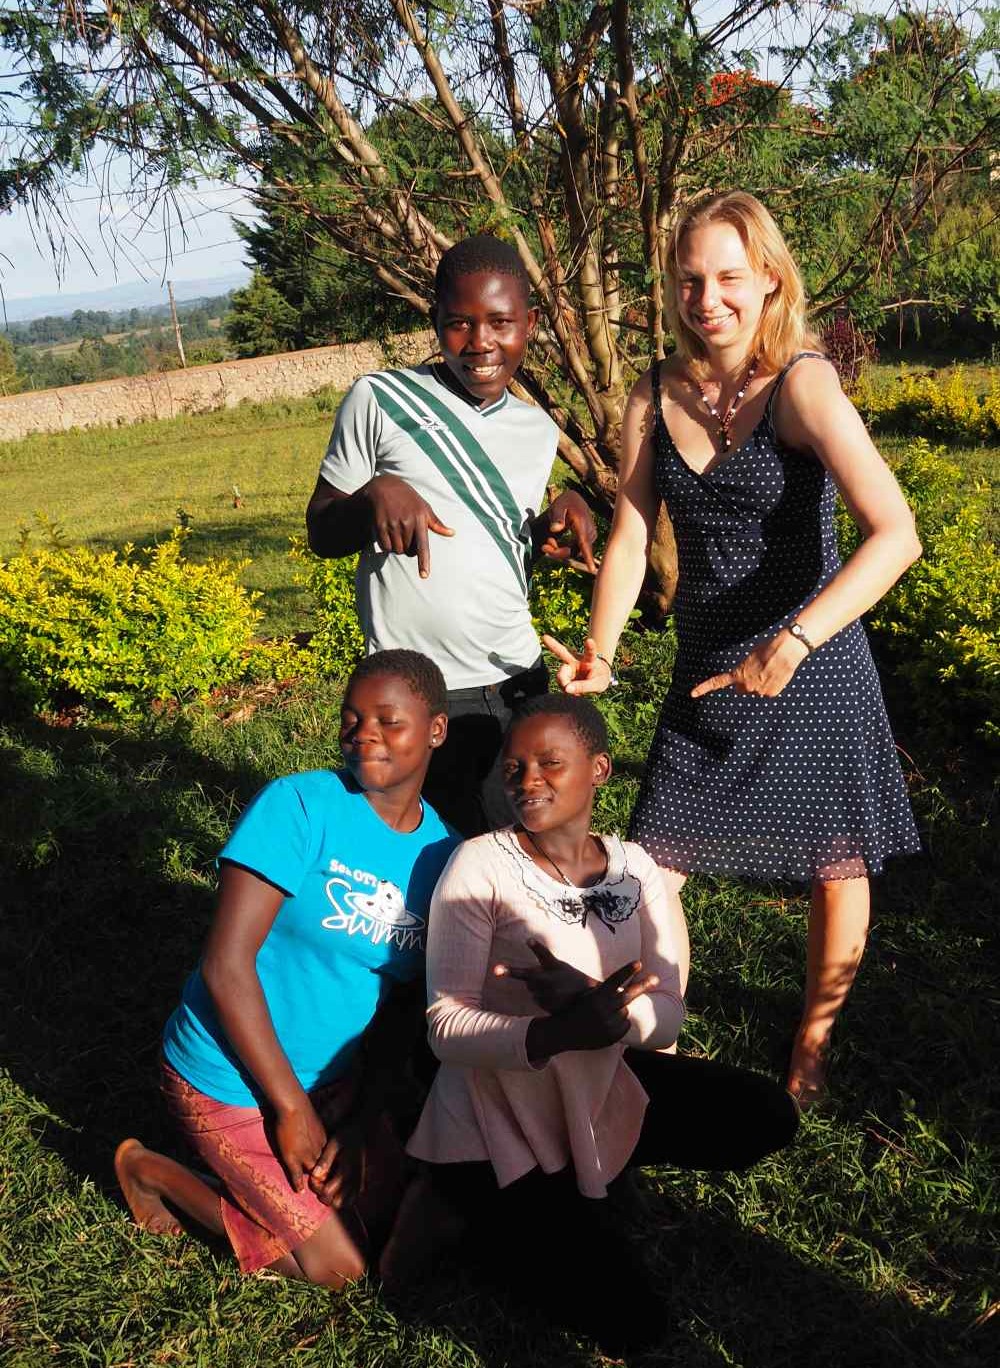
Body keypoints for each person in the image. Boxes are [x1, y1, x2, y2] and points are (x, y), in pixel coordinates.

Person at [544, 190, 922, 1106]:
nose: (706, 299)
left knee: (835, 862)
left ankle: (811, 1047)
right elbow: (632, 534)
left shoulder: (803, 385)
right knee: (651, 868)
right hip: (708, 672)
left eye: (728, 278)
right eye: (689, 280)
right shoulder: (653, 393)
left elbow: (896, 535)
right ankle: (653, 1039)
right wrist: (602, 649)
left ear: (769, 282)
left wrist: (793, 641)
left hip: (814, 664)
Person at [389, 695, 798, 1352]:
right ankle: (456, 1195)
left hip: (603, 1083)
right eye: (514, 767)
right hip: (501, 1117)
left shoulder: (636, 868)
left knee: (764, 1113)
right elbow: (444, 1026)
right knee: (633, 1323)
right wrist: (556, 1032)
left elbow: (668, 1011)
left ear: (599, 769)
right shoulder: (481, 864)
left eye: (550, 762)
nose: (528, 780)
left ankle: (601, 1165)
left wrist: (601, 1013)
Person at [115, 650, 459, 1288]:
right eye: (353, 718)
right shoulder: (300, 806)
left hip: (333, 1081)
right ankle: (154, 1171)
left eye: (389, 721)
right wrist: (290, 1108)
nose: (365, 734)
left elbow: (405, 1006)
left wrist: (360, 1119)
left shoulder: (445, 856)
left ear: (436, 730)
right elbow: (225, 965)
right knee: (338, 1267)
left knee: (382, 1217)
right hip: (227, 1074)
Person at [305, 234, 597, 837]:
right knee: (419, 855)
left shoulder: (536, 429)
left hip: (514, 677)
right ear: (436, 321)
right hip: (417, 690)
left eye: (501, 322)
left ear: (530, 324)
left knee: (518, 852)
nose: (480, 342)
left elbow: (500, 541)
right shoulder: (380, 399)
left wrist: (553, 523)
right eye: (460, 323)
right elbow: (321, 532)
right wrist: (372, 497)